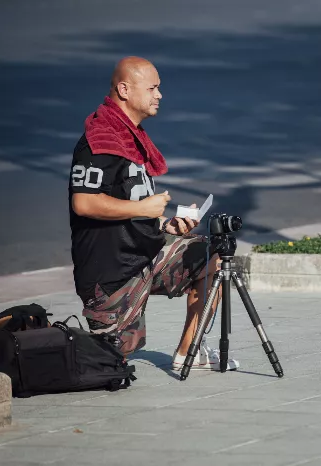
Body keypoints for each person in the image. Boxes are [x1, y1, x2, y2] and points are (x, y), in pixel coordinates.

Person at [68, 56, 238, 372]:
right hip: (112, 275)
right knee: (111, 363)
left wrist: (165, 223)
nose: (159, 95)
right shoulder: (99, 141)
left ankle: (190, 351)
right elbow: (84, 203)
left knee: (213, 256)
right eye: (152, 88)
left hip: (145, 256)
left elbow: (128, 208)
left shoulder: (130, 138)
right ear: (124, 89)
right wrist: (143, 208)